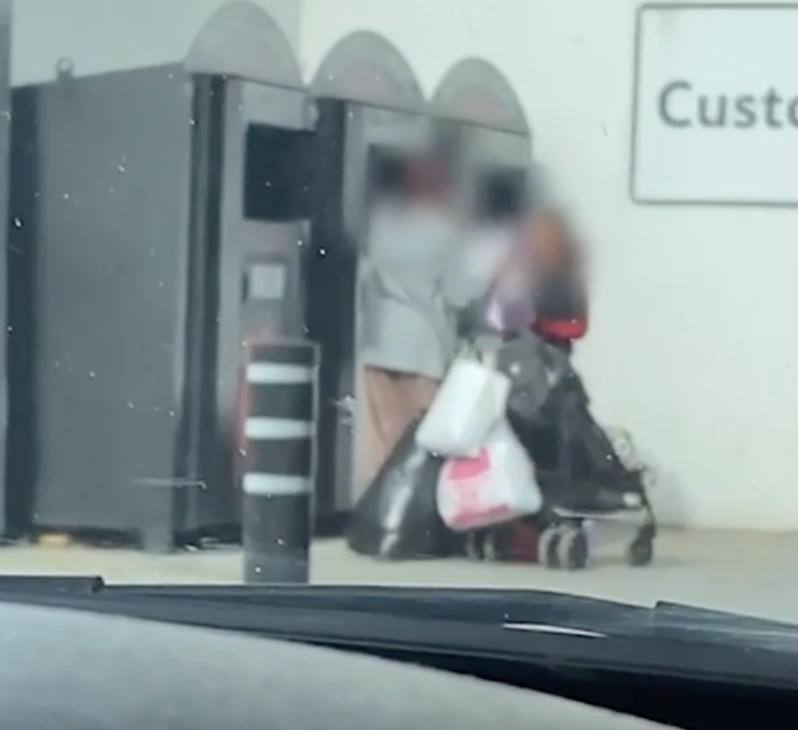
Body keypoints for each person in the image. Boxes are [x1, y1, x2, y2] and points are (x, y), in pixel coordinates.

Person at [358, 153, 460, 484]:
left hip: (379, 340)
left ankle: (383, 507)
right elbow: (458, 292)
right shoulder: (440, 226)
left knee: (384, 438)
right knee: (422, 441)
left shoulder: (376, 223)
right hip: (422, 343)